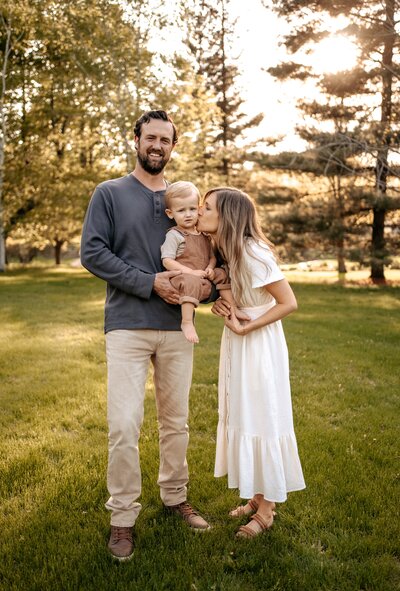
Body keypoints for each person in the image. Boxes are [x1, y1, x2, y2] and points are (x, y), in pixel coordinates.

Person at [80, 110, 210, 562]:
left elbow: (207, 258)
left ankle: (175, 497)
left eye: (165, 140)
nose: (157, 145)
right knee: (124, 425)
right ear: (135, 139)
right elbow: (92, 252)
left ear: (173, 146)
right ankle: (122, 518)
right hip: (128, 325)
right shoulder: (110, 193)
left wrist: (208, 291)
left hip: (177, 329)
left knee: (176, 423)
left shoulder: (186, 199)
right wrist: (149, 281)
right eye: (150, 137)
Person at [197, 187, 306, 538]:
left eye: (207, 207)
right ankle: (257, 497)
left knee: (264, 415)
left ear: (226, 216)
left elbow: (288, 302)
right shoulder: (227, 251)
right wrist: (225, 309)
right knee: (245, 413)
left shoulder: (254, 251)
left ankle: (269, 509)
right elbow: (239, 298)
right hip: (240, 341)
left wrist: (247, 326)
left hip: (259, 344)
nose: (200, 211)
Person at [161, 180, 243, 344]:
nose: (188, 214)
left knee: (222, 273)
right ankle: (187, 322)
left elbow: (211, 257)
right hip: (183, 277)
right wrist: (190, 272)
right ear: (170, 213)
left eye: (192, 209)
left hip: (202, 275)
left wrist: (211, 268)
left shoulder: (204, 234)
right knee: (191, 282)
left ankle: (233, 307)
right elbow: (167, 260)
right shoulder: (175, 235)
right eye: (181, 210)